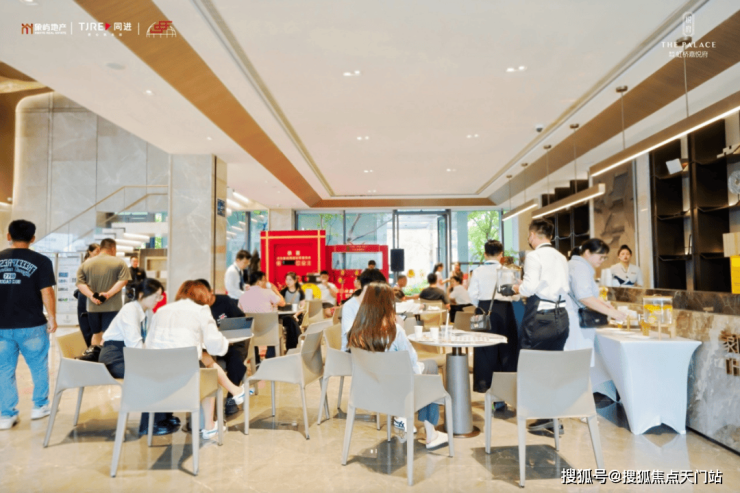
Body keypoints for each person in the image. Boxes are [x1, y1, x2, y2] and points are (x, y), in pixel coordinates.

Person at [346, 282, 448, 449]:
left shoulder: (356, 332)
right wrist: (401, 327)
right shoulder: (394, 330)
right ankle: (431, 433)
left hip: (368, 391)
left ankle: (403, 418)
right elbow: (412, 362)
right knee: (430, 368)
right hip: (398, 390)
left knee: (424, 370)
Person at [146, 280, 245, 439]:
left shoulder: (161, 311)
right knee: (209, 374)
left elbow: (149, 344)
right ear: (203, 296)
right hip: (185, 380)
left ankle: (236, 391)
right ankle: (209, 426)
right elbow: (217, 348)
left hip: (155, 378)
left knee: (204, 359)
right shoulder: (201, 310)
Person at [98, 278, 178, 436]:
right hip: (115, 357)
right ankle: (149, 424)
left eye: (160, 296)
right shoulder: (130, 310)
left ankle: (163, 417)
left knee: (165, 368)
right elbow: (134, 344)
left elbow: (149, 341)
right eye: (155, 296)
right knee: (152, 374)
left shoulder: (147, 312)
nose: (158, 300)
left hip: (128, 355)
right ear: (141, 294)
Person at [512, 219, 571, 433]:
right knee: (553, 366)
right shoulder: (561, 257)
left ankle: (539, 413)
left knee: (531, 364)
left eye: (529, 235)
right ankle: (551, 417)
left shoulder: (534, 256)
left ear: (533, 235)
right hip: (561, 316)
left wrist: (515, 288)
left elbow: (528, 289)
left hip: (540, 316)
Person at [0, 220, 57, 430]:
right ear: (33, 238)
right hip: (32, 325)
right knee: (38, 366)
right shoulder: (41, 261)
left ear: (8, 236)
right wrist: (52, 317)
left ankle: (6, 415)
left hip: (2, 326)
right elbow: (47, 292)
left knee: (3, 369)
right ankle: (39, 406)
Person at [467, 240, 519, 398]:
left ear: (485, 254)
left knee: (485, 349)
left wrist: (480, 306)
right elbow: (515, 296)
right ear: (501, 255)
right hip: (505, 311)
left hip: (483, 310)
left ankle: (486, 387)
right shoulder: (507, 271)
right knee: (506, 349)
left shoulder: (477, 272)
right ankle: (504, 392)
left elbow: (472, 295)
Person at [193, 279, 250, 416]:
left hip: (232, 343)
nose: (203, 299)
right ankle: (204, 410)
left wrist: (223, 330)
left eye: (204, 295)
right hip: (208, 347)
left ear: (211, 292)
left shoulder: (225, 301)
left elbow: (241, 320)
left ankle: (232, 399)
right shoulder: (198, 307)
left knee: (236, 361)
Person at [566, 240, 627, 358]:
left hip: (573, 319)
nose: (602, 260)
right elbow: (584, 297)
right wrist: (611, 312)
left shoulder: (575, 264)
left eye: (605, 257)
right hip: (577, 321)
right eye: (601, 256)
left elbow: (585, 294)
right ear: (587, 253)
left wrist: (603, 304)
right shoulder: (580, 267)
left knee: (576, 358)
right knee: (580, 359)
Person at [76, 238, 131, 361]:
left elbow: (80, 284)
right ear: (113, 248)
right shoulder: (119, 262)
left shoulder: (86, 264)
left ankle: (95, 359)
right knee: (108, 335)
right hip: (113, 307)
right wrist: (108, 294)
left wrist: (91, 296)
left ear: (100, 248)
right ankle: (106, 360)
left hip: (92, 307)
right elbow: (124, 281)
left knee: (96, 334)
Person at [239, 270, 285, 359]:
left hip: (251, 331)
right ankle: (270, 358)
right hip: (269, 331)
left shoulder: (242, 296)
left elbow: (240, 313)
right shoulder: (268, 292)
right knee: (276, 326)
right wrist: (275, 290)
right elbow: (282, 303)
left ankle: (255, 359)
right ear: (259, 282)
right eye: (265, 280)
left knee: (253, 328)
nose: (266, 282)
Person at [340, 269, 387, 351]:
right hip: (352, 352)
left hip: (373, 349)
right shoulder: (350, 306)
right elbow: (353, 337)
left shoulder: (375, 304)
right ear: (366, 287)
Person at [75, 243, 100, 347]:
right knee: (88, 325)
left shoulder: (96, 263)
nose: (99, 253)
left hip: (91, 295)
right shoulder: (88, 263)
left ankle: (92, 348)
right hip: (86, 296)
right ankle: (90, 348)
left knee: (93, 325)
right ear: (90, 252)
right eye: (97, 251)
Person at [279, 272, 305, 351]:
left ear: (295, 280)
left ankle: (291, 348)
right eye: (286, 279)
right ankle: (299, 341)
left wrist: (295, 315)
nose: (288, 282)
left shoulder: (300, 292)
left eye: (290, 280)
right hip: (285, 315)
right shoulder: (283, 292)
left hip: (297, 315)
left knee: (292, 322)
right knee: (291, 321)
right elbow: (280, 305)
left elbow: (303, 306)